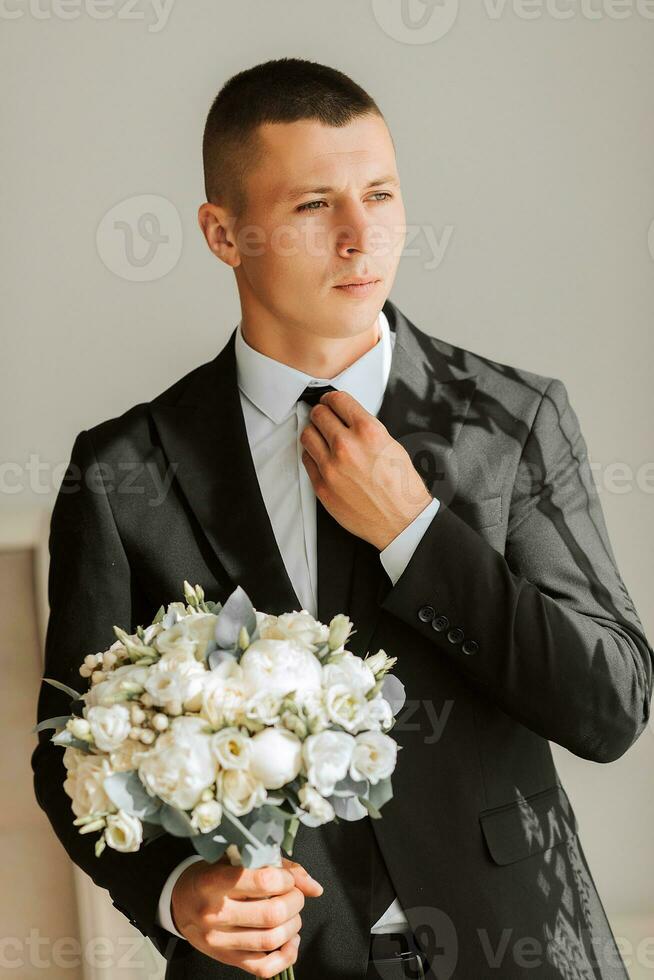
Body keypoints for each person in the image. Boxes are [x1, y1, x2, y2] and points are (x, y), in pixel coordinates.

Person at [32, 57, 653, 980]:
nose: (363, 238)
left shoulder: (512, 421)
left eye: (381, 194)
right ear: (223, 231)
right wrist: (175, 894)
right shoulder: (124, 469)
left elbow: (611, 705)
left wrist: (416, 532)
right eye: (315, 206)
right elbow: (69, 747)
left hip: (515, 949)